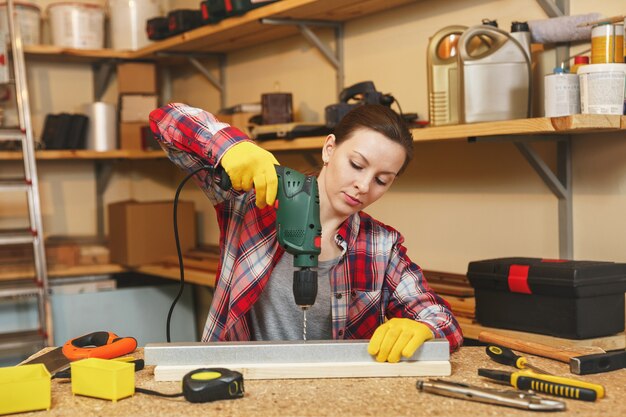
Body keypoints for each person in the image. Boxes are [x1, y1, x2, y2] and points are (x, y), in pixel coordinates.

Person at [149, 102, 463, 362]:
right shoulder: (255, 199)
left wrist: (423, 328)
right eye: (356, 164)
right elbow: (166, 120)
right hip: (239, 382)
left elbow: (441, 319)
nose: (364, 186)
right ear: (329, 149)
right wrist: (231, 148)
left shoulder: (381, 245)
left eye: (382, 180)